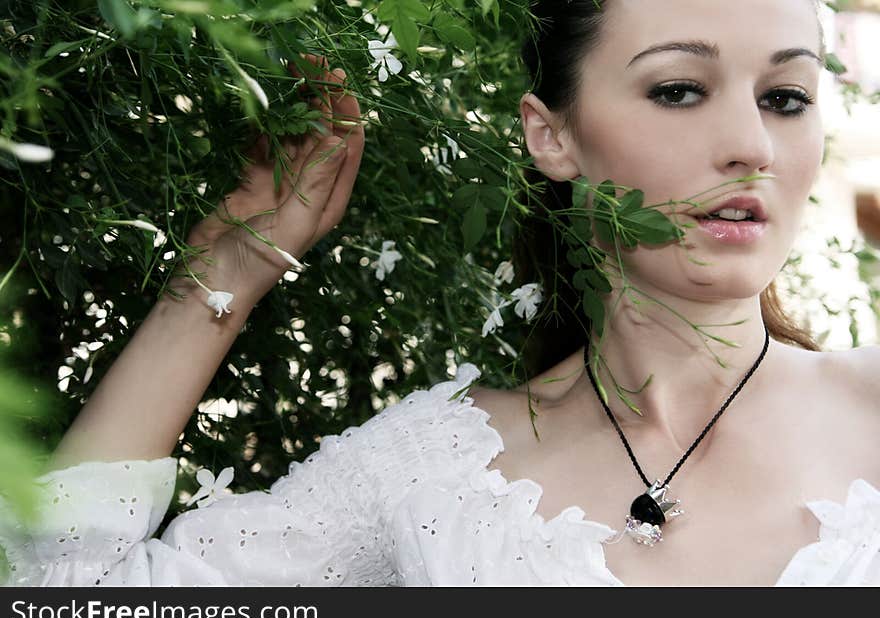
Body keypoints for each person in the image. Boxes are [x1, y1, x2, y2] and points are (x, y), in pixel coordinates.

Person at [2, 0, 879, 587]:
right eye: (679, 89)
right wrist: (226, 271)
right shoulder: (432, 471)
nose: (750, 143)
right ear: (552, 136)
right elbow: (69, 606)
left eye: (786, 96)